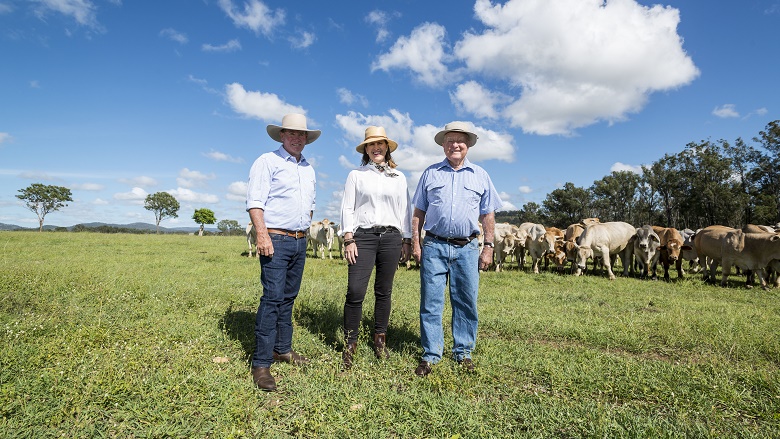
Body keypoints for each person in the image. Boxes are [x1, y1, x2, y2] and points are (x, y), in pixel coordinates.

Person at [410, 121, 502, 377]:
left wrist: (489, 246)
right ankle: (431, 354)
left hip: (467, 248)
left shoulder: (480, 175)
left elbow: (488, 214)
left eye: (460, 141)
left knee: (466, 301)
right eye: (449, 140)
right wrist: (416, 243)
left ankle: (463, 352)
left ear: (468, 145)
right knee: (431, 302)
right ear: (443, 145)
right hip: (435, 246)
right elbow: (419, 212)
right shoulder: (430, 173)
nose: (455, 145)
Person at [246, 113, 320, 392]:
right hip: (276, 239)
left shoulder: (309, 168)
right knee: (273, 298)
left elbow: (310, 205)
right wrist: (263, 236)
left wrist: (304, 229)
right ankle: (261, 363)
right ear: (281, 135)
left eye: (302, 135)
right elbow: (255, 202)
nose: (297, 138)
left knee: (289, 297)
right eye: (292, 134)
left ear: (307, 139)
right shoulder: (267, 161)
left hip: (300, 241)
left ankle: (283, 349)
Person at [339, 126, 412, 369]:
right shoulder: (356, 175)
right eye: (371, 144)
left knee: (384, 291)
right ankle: (350, 343)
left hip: (392, 238)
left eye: (380, 144)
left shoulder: (399, 177)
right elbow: (347, 208)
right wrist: (349, 239)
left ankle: (380, 339)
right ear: (366, 149)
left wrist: (407, 239)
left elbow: (405, 209)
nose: (376, 148)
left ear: (387, 147)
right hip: (364, 237)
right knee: (355, 290)